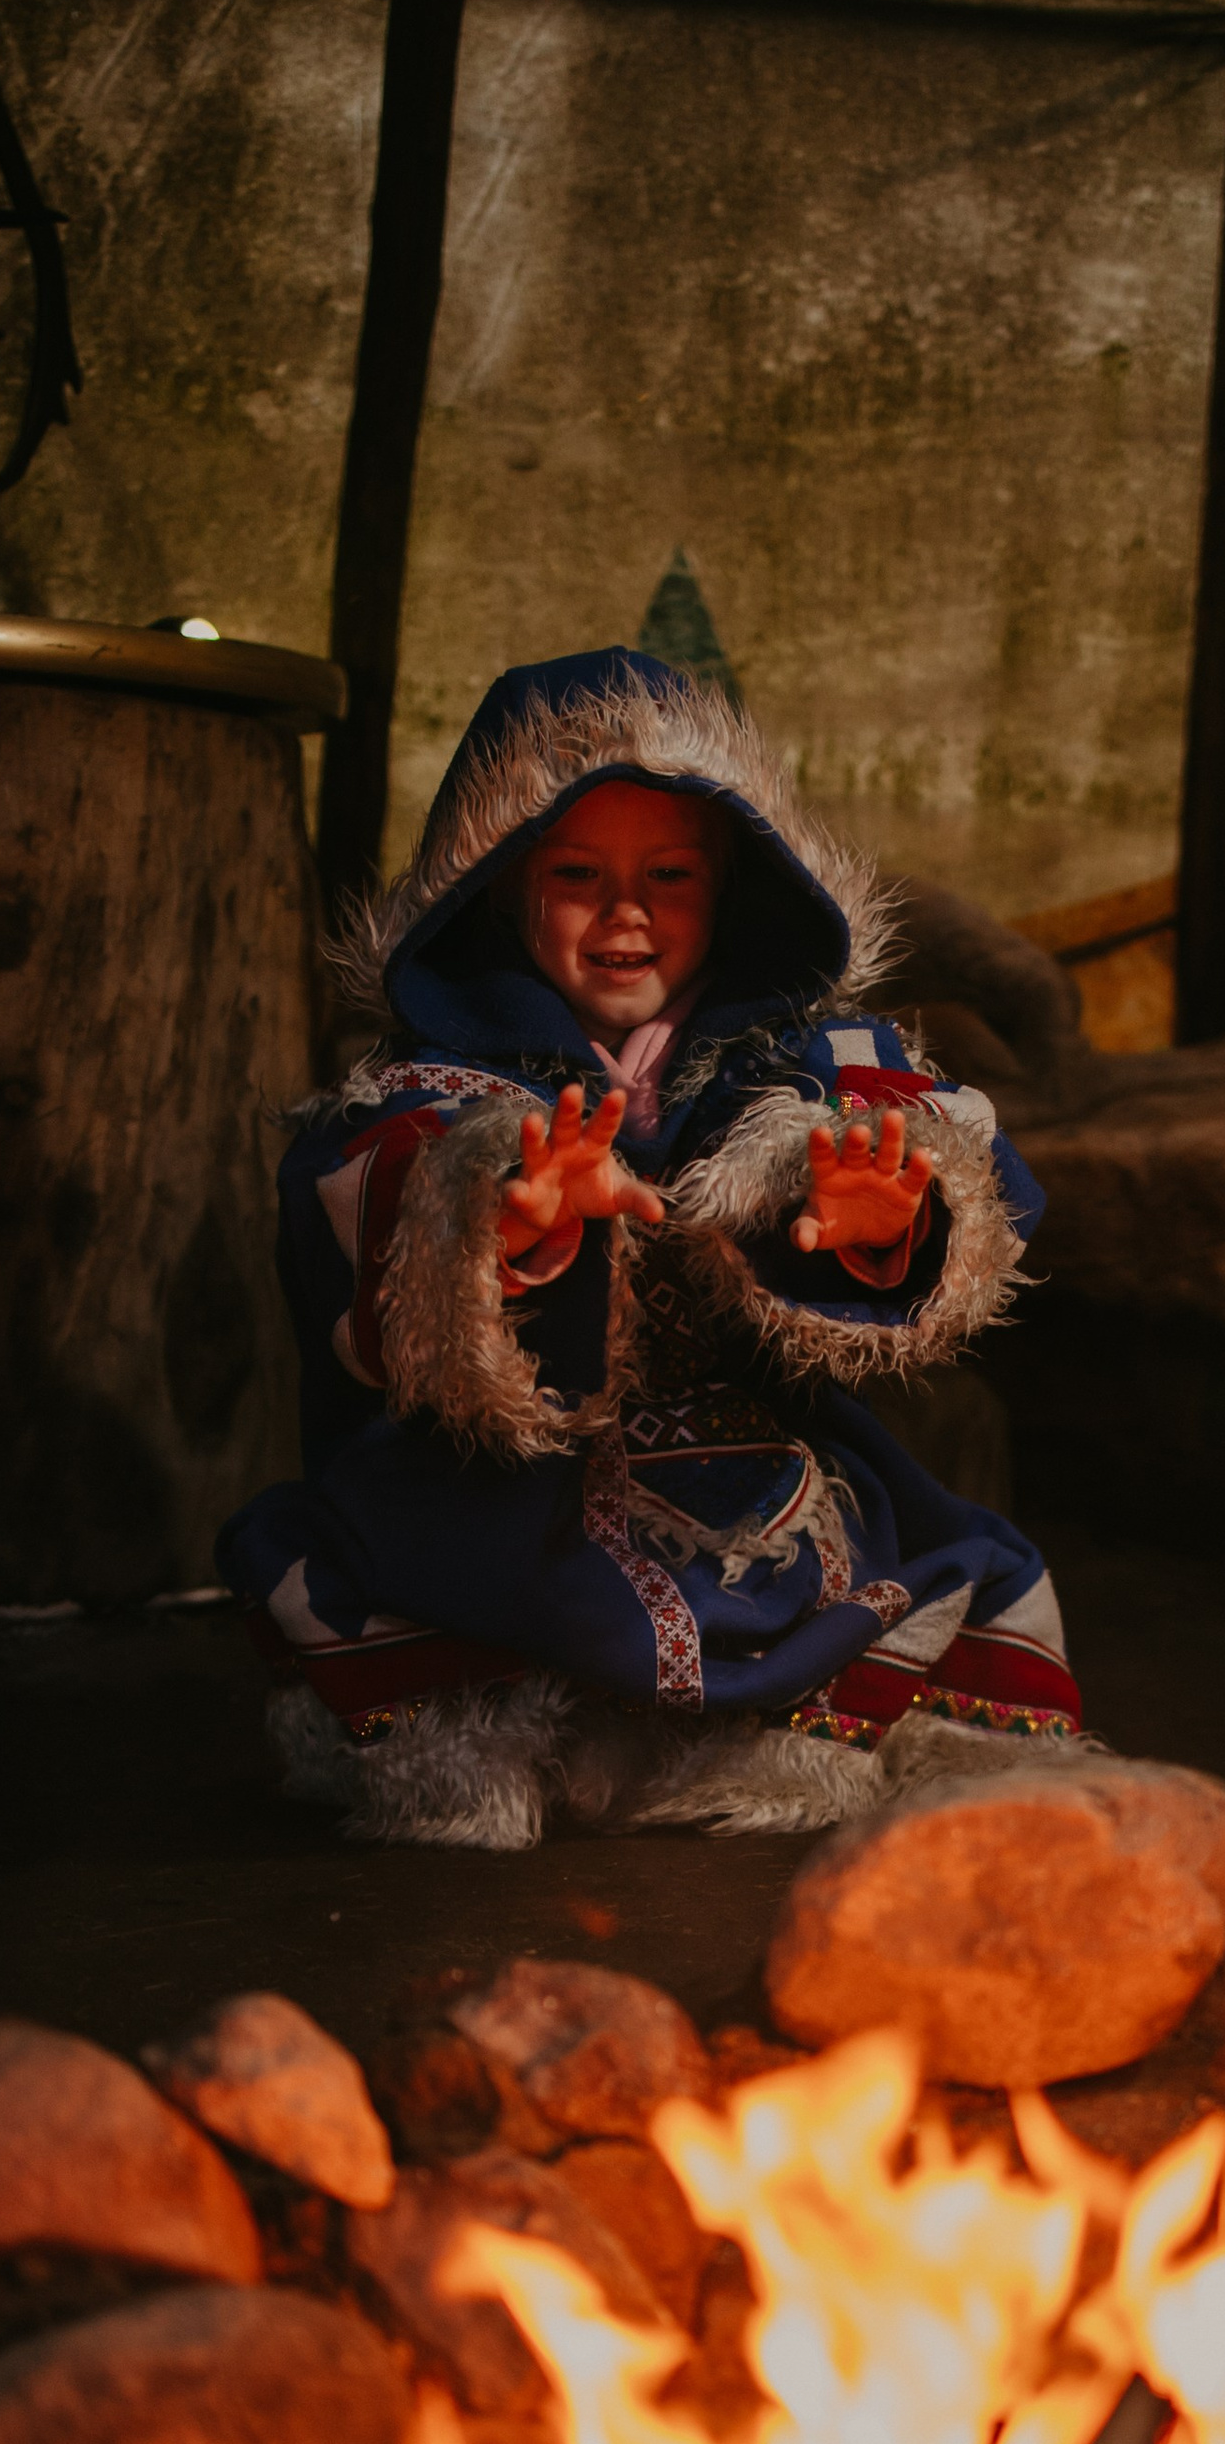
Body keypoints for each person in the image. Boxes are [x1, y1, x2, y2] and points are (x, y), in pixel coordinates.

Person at [220, 645, 1080, 1845]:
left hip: (754, 1471)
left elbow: (936, 1159)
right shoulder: (422, 1091)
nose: (627, 915)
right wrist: (506, 1216)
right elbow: (375, 1218)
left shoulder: (805, 1067)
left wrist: (884, 1215)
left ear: (730, 893)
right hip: (508, 1500)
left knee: (912, 1557)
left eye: (669, 876)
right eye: (578, 874)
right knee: (432, 1600)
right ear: (504, 888)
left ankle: (773, 1711)